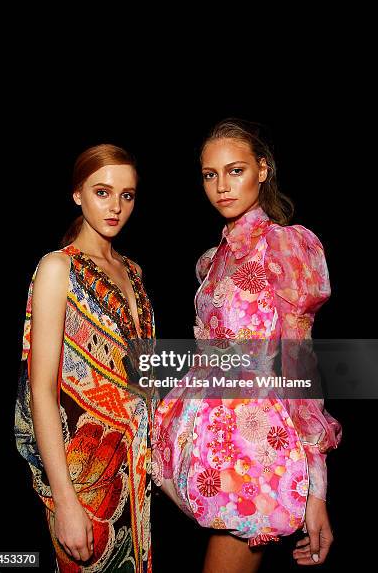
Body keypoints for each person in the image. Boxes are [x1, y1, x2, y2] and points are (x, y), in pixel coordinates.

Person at [152, 119, 342, 572]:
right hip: (201, 441)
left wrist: (317, 490)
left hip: (255, 450)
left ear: (262, 169)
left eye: (234, 171)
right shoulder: (209, 261)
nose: (220, 186)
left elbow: (301, 366)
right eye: (209, 174)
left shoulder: (286, 247)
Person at [14, 144, 156, 572]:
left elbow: (144, 378)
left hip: (137, 475)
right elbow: (41, 391)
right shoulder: (58, 268)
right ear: (78, 194)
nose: (115, 207)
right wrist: (66, 502)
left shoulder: (133, 271)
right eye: (102, 192)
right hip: (84, 479)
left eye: (126, 195)